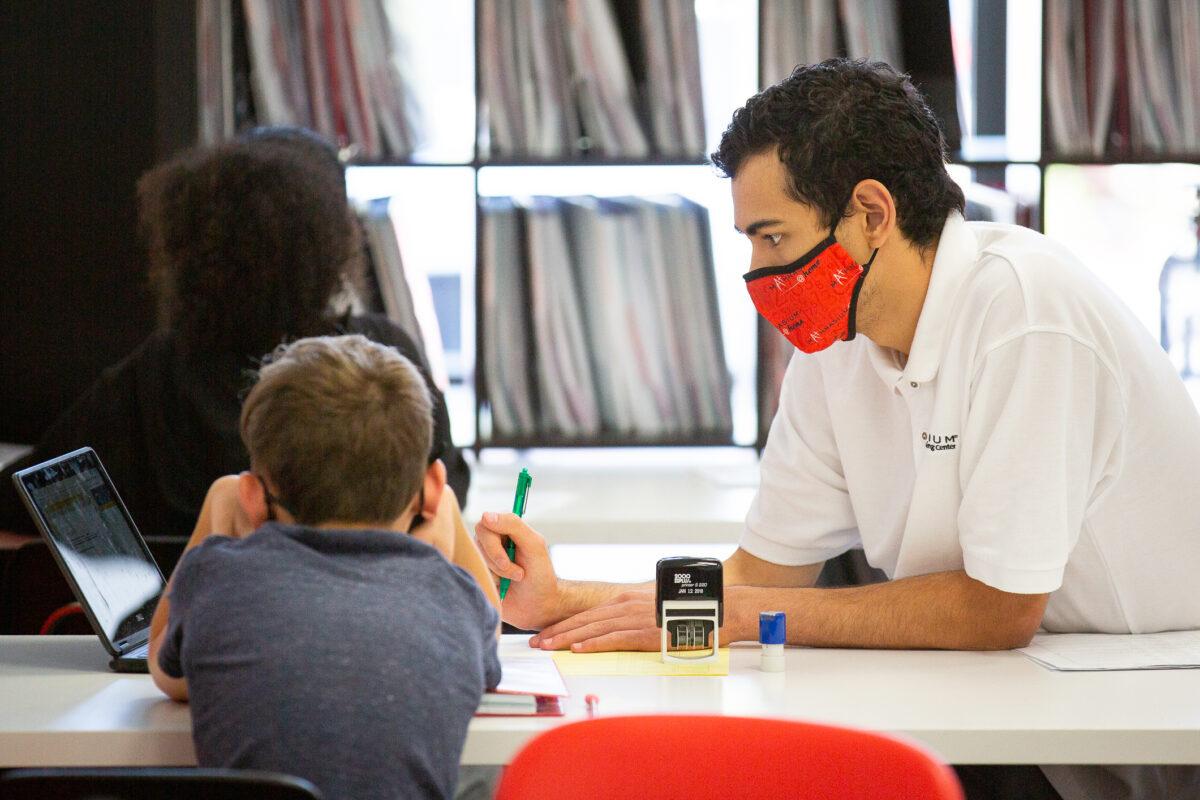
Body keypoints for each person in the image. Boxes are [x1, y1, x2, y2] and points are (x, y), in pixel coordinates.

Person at [474, 60, 1200, 800]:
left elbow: (999, 609)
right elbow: (759, 575)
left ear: (871, 214)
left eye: (774, 238)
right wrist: (560, 599)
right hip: (1011, 703)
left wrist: (750, 616)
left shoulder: (1023, 312)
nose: (756, 271)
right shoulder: (837, 348)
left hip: (1139, 722)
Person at [0, 128, 470, 540]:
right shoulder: (378, 358)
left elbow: (26, 497)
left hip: (193, 620)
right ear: (329, 244)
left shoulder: (158, 372)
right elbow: (450, 488)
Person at [149, 334, 499, 800]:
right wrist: (445, 511)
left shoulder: (215, 578)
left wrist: (217, 511)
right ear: (433, 489)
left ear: (252, 497)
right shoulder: (454, 598)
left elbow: (164, 670)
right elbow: (490, 638)